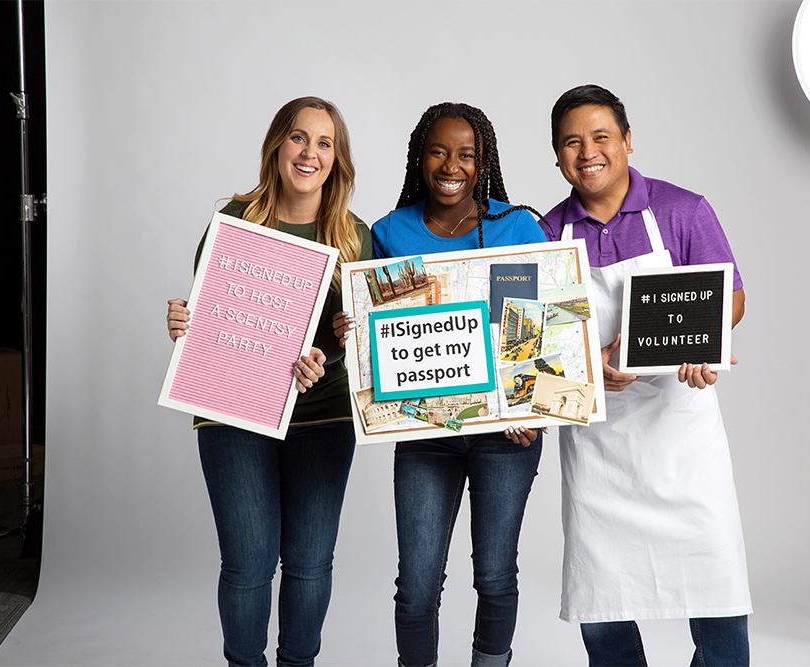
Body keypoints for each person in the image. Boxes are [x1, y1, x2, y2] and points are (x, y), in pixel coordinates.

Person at [539, 85, 752, 667]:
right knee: (601, 593)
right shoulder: (548, 233)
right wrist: (587, 365)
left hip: (682, 431)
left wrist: (695, 338)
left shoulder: (683, 210)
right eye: (571, 143)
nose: (588, 153)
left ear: (628, 141)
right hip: (598, 443)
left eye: (601, 137)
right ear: (557, 157)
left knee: (716, 581)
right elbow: (535, 343)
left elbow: (730, 297)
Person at [165, 96, 371, 667]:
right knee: (248, 562)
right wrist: (183, 325)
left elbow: (362, 340)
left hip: (323, 417)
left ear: (338, 158)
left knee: (309, 564)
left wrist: (336, 351)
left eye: (325, 143)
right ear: (278, 145)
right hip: (234, 413)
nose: (310, 152)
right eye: (299, 138)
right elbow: (213, 321)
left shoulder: (355, 237)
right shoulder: (233, 219)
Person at [339, 102, 544, 667]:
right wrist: (352, 328)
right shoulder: (389, 232)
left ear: (484, 163)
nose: (451, 164)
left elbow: (540, 324)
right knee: (418, 585)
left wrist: (529, 407)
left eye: (466, 154)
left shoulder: (519, 226)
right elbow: (378, 340)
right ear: (418, 157)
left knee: (496, 574)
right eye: (438, 150)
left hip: (509, 435)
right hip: (425, 432)